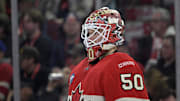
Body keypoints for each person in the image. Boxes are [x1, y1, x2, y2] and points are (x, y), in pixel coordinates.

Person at [67, 7, 149, 101]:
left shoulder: (122, 65)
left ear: (113, 33)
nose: (89, 39)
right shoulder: (78, 69)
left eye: (96, 33)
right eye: (89, 33)